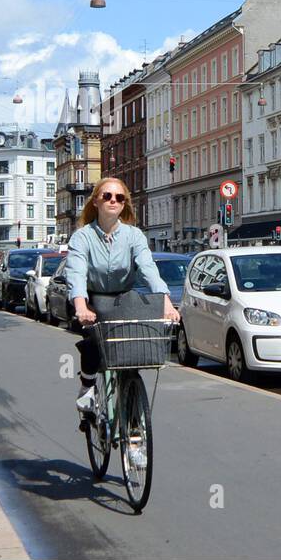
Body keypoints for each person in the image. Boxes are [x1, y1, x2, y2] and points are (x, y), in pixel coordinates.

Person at [64, 178, 179, 443]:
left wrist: (166, 303)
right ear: (96, 201)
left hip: (124, 297)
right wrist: (81, 305)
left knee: (131, 351)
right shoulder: (82, 237)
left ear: (124, 203)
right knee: (94, 339)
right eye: (107, 196)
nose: (113, 201)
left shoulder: (133, 235)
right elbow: (77, 272)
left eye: (119, 197)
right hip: (95, 299)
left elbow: (148, 269)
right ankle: (88, 387)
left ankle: (135, 429)